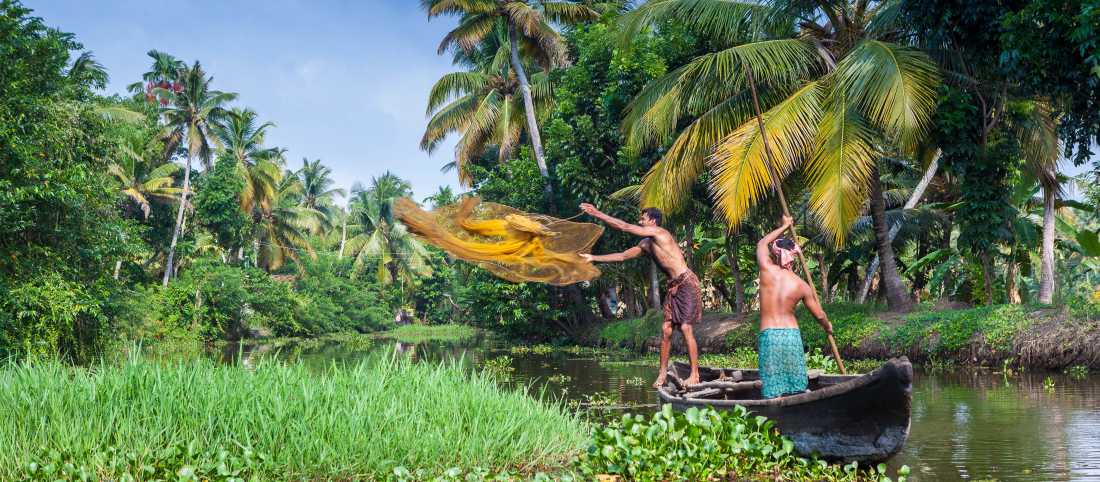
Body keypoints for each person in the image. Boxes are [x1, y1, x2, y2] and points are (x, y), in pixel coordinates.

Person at [579, 203, 701, 387]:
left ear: (653, 221)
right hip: (673, 286)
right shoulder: (645, 244)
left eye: (642, 219)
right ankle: (661, 375)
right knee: (666, 330)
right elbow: (622, 256)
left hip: (686, 283)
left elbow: (625, 227)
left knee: (685, 328)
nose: (639, 221)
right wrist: (594, 258)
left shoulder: (661, 233)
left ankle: (695, 375)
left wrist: (597, 213)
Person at [756, 215, 833, 398]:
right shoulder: (801, 285)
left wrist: (784, 226)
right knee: (796, 385)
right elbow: (820, 316)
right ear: (794, 256)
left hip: (770, 335)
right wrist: (827, 326)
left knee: (773, 387)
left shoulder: (766, 270)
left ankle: (775, 412)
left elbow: (761, 244)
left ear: (775, 254)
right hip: (791, 336)